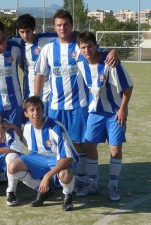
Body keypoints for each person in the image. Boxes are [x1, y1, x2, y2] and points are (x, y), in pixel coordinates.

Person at [34, 10, 117, 190]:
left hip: (80, 105)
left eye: (66, 25)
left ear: (71, 26)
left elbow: (101, 53)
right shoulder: (48, 49)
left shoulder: (80, 46)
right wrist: (36, 99)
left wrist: (113, 51)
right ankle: (61, 177)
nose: (62, 28)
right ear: (54, 27)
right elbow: (40, 75)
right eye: (59, 25)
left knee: (80, 144)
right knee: (57, 145)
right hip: (56, 106)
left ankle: (82, 178)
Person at [75, 31, 133, 201]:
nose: (87, 50)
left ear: (96, 46)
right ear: (79, 48)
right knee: (90, 145)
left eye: (90, 46)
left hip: (114, 112)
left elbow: (128, 87)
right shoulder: (79, 62)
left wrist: (123, 108)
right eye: (83, 47)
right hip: (95, 112)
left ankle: (113, 186)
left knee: (115, 149)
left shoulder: (110, 62)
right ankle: (93, 184)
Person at [8, 96, 78, 211]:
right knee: (12, 167)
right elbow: (25, 140)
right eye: (32, 110)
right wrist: (13, 127)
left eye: (39, 109)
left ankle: (67, 194)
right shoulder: (27, 127)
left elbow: (68, 158)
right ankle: (44, 191)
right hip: (37, 157)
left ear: (43, 111)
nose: (36, 113)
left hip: (58, 159)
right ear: (26, 113)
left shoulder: (56, 128)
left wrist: (47, 176)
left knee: (65, 174)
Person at [13, 14, 57, 116]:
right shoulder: (16, 42)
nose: (25, 35)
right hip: (29, 93)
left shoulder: (46, 39)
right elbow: (1, 40)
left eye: (28, 31)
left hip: (48, 93)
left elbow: (69, 35)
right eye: (22, 32)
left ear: (33, 29)